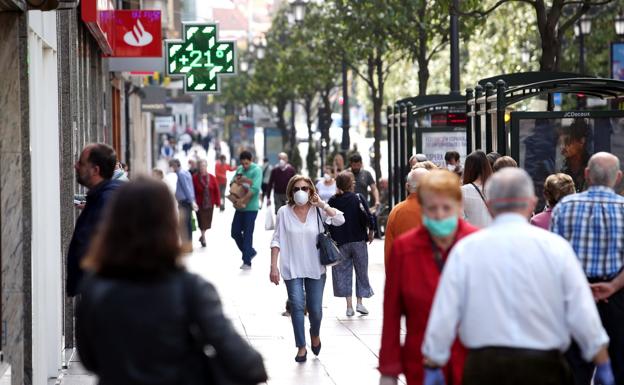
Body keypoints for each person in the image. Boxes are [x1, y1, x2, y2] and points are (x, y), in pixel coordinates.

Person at [421, 168, 614, 385]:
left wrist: (434, 360)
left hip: (483, 368)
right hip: (544, 367)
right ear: (531, 203)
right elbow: (582, 311)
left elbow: (445, 312)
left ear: (490, 205)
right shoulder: (556, 249)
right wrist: (602, 360)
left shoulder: (466, 251)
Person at [76, 178, 268, 385]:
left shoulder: (94, 287)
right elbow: (249, 365)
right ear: (171, 224)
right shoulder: (191, 289)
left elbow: (89, 360)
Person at [379, 170, 479, 385]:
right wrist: (388, 371)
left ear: (459, 207)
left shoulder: (476, 244)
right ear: (423, 209)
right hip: (422, 361)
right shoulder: (405, 249)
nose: (440, 215)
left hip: (469, 360)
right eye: (433, 209)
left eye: (447, 208)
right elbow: (392, 312)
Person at [551, 152, 624, 385]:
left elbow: (555, 260)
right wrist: (612, 285)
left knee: (574, 370)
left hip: (575, 297)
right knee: (618, 366)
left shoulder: (564, 207)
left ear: (586, 174)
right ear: (618, 177)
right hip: (617, 299)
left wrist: (581, 286)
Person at [270, 175, 345, 362]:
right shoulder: (283, 212)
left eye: (304, 188)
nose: (300, 192)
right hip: (291, 267)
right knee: (296, 306)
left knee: (315, 310)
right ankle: (301, 347)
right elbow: (276, 239)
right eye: (296, 189)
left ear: (311, 190)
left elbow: (340, 220)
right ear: (290, 192)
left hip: (315, 268)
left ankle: (315, 334)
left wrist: (322, 204)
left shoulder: (318, 212)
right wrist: (273, 266)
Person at [66, 143, 123, 297]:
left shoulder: (107, 200)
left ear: (95, 170)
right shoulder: (101, 197)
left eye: (81, 163)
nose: (75, 166)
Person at [328, 171, 375, 317]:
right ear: (350, 184)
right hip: (358, 240)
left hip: (340, 242)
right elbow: (367, 216)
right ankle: (360, 303)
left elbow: (328, 221)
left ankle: (349, 306)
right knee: (361, 271)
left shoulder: (332, 201)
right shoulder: (358, 198)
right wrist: (371, 231)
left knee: (343, 273)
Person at [384, 168, 429, 265]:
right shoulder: (439, 211)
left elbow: (389, 252)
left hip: (404, 273)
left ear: (407, 187)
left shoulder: (397, 212)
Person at [231, 151, 262, 270]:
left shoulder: (256, 170)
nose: (245, 166)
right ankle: (250, 251)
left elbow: (254, 188)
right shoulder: (239, 169)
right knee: (235, 232)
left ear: (251, 160)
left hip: (251, 208)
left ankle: (247, 261)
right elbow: (232, 182)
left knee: (248, 234)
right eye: (243, 164)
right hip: (239, 207)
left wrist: (243, 199)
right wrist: (237, 182)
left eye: (247, 163)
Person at [169, 159, 198, 252]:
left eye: (172, 166)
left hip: (184, 201)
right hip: (187, 201)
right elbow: (191, 187)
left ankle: (187, 244)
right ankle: (188, 244)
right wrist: (192, 200)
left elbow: (186, 188)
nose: (171, 168)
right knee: (188, 223)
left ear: (176, 165)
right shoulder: (186, 172)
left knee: (185, 224)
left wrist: (192, 201)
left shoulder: (180, 174)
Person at [192, 160, 220, 248]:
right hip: (199, 203)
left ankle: (202, 235)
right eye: (201, 166)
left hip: (209, 204)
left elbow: (216, 190)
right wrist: (193, 202)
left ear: (206, 167)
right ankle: (203, 237)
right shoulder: (195, 178)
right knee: (201, 221)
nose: (202, 168)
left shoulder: (212, 177)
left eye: (204, 166)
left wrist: (218, 202)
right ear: (198, 167)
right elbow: (192, 191)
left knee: (207, 223)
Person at [461, 150, 493, 228]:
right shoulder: (497, 189)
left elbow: (460, 219)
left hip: (473, 235)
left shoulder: (463, 191)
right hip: (494, 235)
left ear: (468, 169)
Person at [559, 119, 591, 192]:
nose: (563, 147)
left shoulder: (591, 168)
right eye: (560, 143)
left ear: (581, 142)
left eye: (568, 142)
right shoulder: (561, 167)